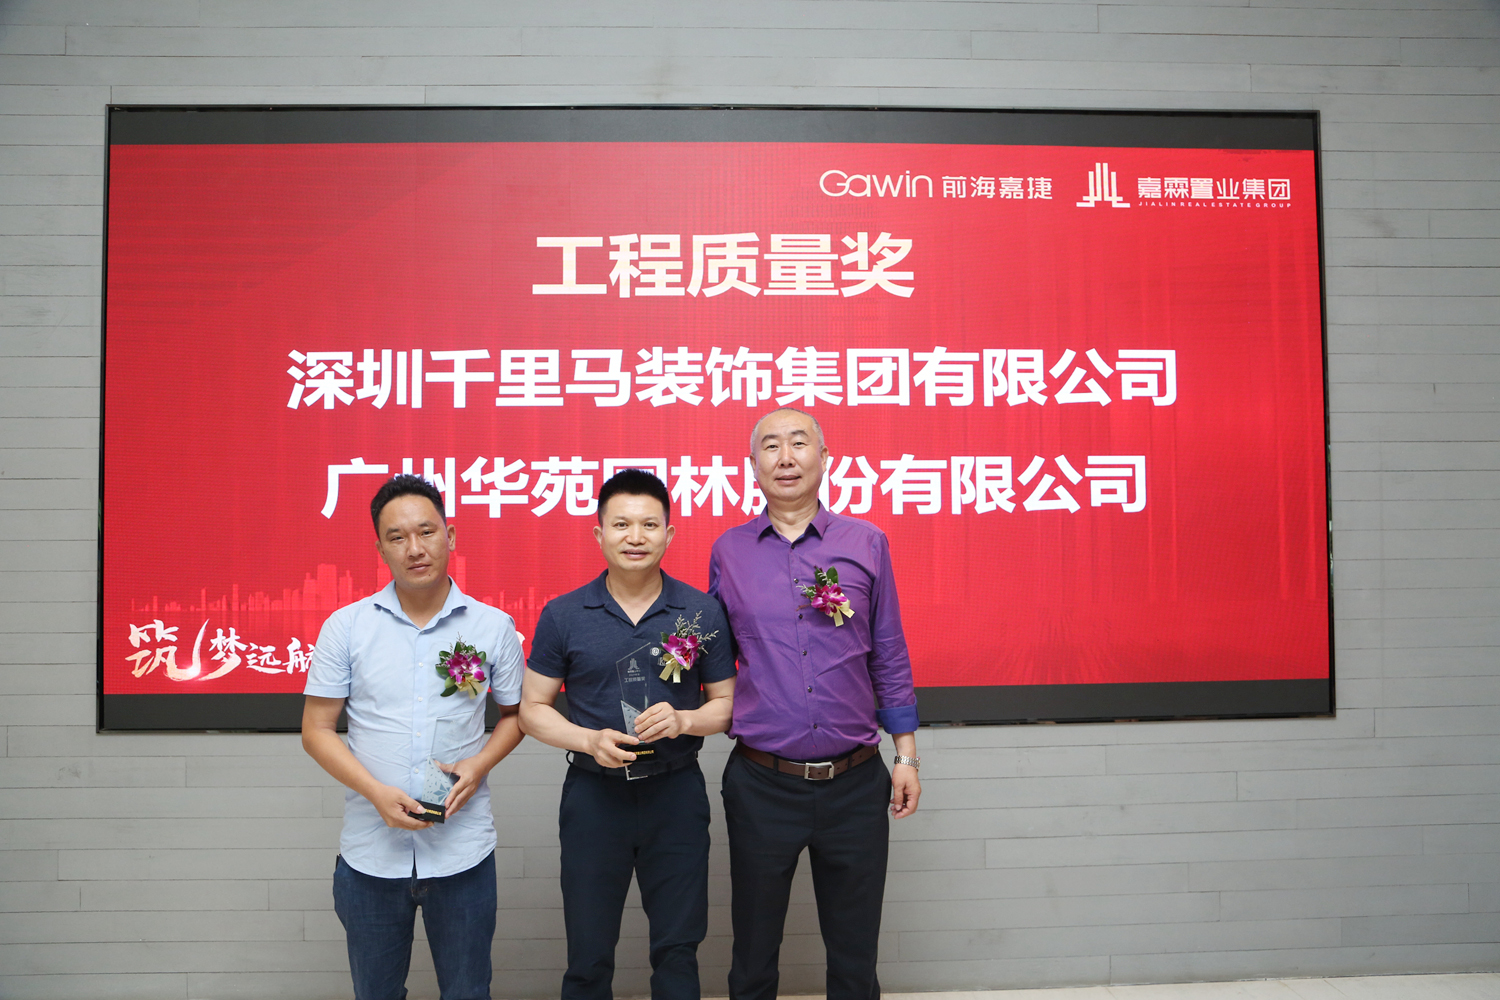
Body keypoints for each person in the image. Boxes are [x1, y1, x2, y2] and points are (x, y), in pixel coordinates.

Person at [709, 407, 921, 1000]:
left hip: (855, 784)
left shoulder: (866, 542)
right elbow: (714, 661)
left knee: (855, 959)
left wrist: (906, 756)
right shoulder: (729, 551)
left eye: (799, 443)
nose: (785, 457)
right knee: (753, 956)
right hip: (762, 783)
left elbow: (889, 652)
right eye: (770, 446)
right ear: (753, 465)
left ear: (824, 459)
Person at [302, 474, 525, 1000]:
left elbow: (517, 715)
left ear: (451, 535)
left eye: (426, 532)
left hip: (462, 852)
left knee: (468, 992)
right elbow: (316, 730)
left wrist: (480, 764)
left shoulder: (493, 626)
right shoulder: (346, 627)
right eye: (397, 537)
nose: (415, 548)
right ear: (379, 548)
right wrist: (375, 793)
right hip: (371, 855)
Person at [520, 469, 736, 1000]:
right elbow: (531, 710)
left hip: (676, 793)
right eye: (621, 524)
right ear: (599, 534)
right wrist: (587, 740)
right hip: (594, 797)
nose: (635, 537)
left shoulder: (701, 611)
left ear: (669, 534)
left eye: (649, 525)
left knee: (678, 950)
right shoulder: (564, 614)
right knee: (588, 954)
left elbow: (727, 705)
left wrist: (685, 720)